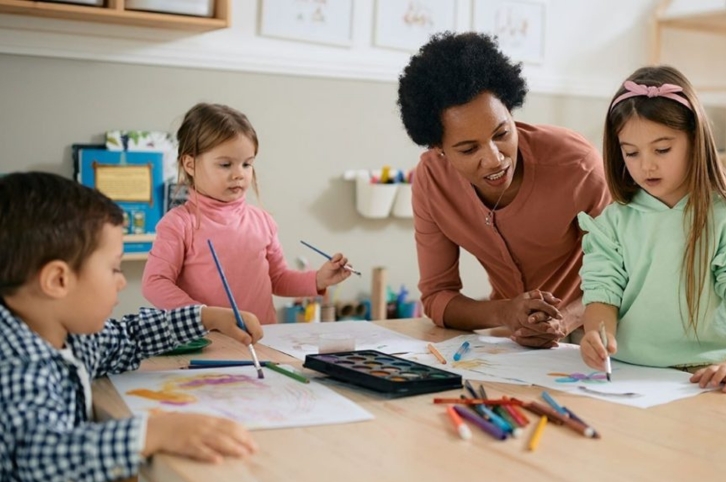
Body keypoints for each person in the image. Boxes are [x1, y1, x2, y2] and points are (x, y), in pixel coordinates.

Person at [0, 172, 262, 482]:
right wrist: (151, 433)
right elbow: (40, 456)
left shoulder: (69, 337)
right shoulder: (17, 366)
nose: (122, 281)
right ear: (58, 280)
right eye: (113, 268)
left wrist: (205, 317)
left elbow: (130, 336)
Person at [396, 32, 610, 348]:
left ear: (510, 109)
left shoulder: (576, 165)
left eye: (501, 133)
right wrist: (505, 313)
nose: (495, 159)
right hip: (513, 340)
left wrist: (563, 321)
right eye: (469, 149)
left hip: (597, 330)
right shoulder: (432, 181)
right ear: (438, 148)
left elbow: (625, 274)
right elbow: (438, 297)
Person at [578, 65, 726, 392]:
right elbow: (602, 292)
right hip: (630, 371)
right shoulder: (613, 223)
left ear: (694, 139)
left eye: (662, 150)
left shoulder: (721, 217)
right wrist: (597, 337)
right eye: (631, 153)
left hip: (709, 372)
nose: (646, 165)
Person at [142, 103, 352, 324]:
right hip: (209, 346)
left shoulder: (263, 221)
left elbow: (277, 279)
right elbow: (154, 282)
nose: (239, 174)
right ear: (190, 164)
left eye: (247, 164)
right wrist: (204, 316)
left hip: (262, 341)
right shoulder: (178, 224)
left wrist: (319, 279)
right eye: (225, 164)